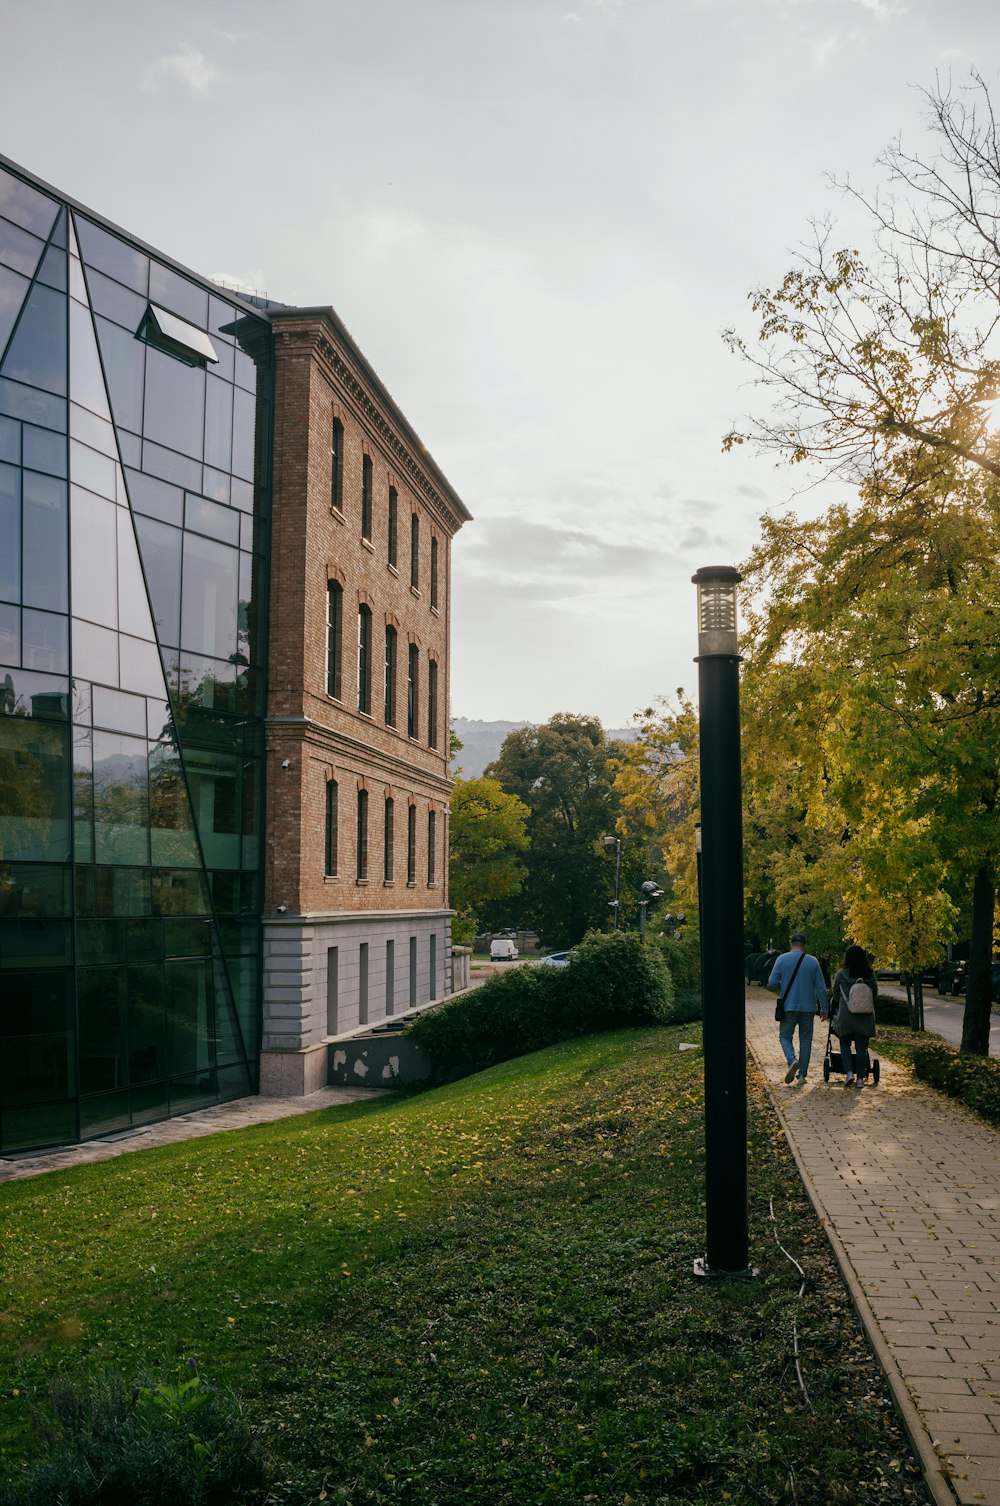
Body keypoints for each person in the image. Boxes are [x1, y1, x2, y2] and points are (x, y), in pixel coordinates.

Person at [768, 932, 828, 1086]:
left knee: (785, 1036)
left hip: (789, 1006)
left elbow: (772, 981)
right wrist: (824, 1008)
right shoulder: (813, 962)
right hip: (808, 1008)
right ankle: (802, 1076)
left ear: (791, 944)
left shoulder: (782, 959)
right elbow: (821, 987)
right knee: (806, 1039)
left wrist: (785, 982)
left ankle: (792, 1060)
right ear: (804, 945)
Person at [831, 944, 877, 1087]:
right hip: (865, 1017)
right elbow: (874, 994)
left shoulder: (841, 973)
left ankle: (849, 1073)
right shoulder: (870, 974)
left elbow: (836, 994)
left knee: (844, 1044)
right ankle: (861, 1079)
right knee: (861, 1047)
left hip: (846, 1017)